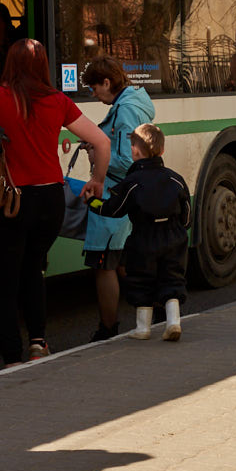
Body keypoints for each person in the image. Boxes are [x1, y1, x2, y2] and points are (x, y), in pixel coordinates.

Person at [0, 39, 110, 367]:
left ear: (9, 64)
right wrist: (97, 181)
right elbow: (101, 142)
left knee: (4, 280)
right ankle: (37, 343)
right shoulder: (58, 101)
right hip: (50, 201)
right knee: (33, 269)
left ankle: (11, 358)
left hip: (8, 201)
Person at [88, 123, 190, 341]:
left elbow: (113, 209)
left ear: (134, 151)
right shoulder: (175, 179)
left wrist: (92, 202)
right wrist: (181, 229)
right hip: (173, 236)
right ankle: (173, 322)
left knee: (142, 279)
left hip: (144, 237)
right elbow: (187, 212)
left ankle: (142, 328)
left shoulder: (132, 182)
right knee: (172, 278)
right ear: (162, 151)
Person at [80, 56, 156, 341]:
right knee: (122, 262)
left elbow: (126, 160)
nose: (93, 93)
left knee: (104, 264)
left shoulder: (124, 112)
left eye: (94, 87)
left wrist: (97, 153)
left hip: (114, 196)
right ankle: (154, 308)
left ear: (107, 83)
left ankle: (108, 328)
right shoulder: (135, 103)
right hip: (127, 197)